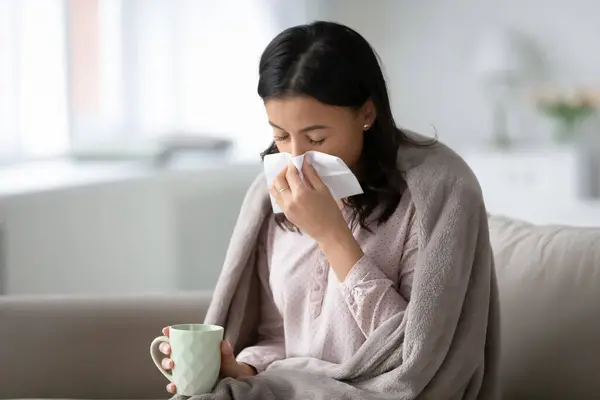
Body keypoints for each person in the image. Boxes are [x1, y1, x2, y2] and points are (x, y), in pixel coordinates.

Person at [158, 21, 493, 396]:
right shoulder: (275, 194)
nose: (297, 158)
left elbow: (413, 360)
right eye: (281, 136)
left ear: (367, 113)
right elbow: (278, 336)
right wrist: (243, 367)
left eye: (316, 138)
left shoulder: (435, 195)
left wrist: (332, 235)